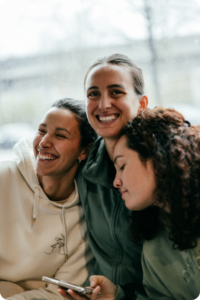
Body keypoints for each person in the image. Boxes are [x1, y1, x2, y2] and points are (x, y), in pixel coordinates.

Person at [64, 107, 200, 300]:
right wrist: (117, 296)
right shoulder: (155, 249)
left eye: (122, 166)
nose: (115, 181)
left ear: (157, 156)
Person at [58, 54, 149, 300]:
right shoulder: (82, 163)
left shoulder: (164, 170)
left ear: (142, 103)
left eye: (116, 92)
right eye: (93, 94)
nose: (103, 104)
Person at [0, 98, 97, 300]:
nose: (43, 143)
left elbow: (59, 294)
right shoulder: (3, 179)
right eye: (42, 131)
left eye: (60, 135)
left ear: (84, 151)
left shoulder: (88, 216)